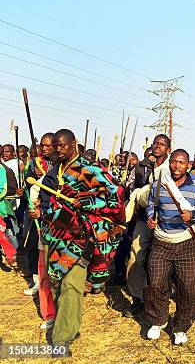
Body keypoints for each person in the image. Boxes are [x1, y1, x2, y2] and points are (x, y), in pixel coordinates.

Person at [41, 129, 125, 347]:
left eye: (63, 145)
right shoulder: (56, 170)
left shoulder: (90, 169)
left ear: (74, 144)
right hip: (57, 233)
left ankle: (63, 336)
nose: (58, 149)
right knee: (57, 282)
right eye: (56, 146)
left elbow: (114, 197)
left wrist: (86, 201)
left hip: (80, 236)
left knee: (72, 284)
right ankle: (67, 324)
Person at [144, 149, 195, 345]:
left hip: (187, 242)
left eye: (181, 163)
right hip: (161, 240)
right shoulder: (160, 183)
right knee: (156, 283)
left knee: (189, 289)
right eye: (174, 162)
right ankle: (159, 319)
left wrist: (193, 215)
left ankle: (181, 326)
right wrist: (152, 218)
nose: (176, 166)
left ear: (188, 164)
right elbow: (151, 204)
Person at [125, 135, 170, 318]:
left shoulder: (171, 167)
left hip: (166, 222)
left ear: (168, 148)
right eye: (155, 143)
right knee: (135, 257)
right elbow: (132, 187)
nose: (158, 147)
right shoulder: (142, 166)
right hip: (144, 219)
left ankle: (157, 299)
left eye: (162, 144)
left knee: (160, 262)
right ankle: (137, 297)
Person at [21, 133, 55, 296]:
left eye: (48, 145)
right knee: (33, 245)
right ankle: (37, 281)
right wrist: (32, 175)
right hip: (35, 213)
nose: (44, 148)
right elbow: (27, 181)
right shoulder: (35, 161)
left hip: (52, 213)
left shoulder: (59, 164)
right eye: (42, 145)